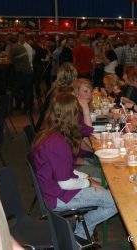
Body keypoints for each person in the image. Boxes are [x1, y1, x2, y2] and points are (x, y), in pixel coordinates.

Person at [32, 93, 118, 246]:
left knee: (106, 185)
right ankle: (81, 233)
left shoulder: (52, 133)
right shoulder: (57, 142)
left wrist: (87, 178)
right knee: (116, 200)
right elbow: (65, 183)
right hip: (58, 196)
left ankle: (82, 230)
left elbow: (66, 170)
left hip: (55, 188)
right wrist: (88, 183)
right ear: (72, 116)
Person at [7, 34, 33, 112]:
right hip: (28, 71)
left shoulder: (13, 48)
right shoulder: (20, 46)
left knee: (18, 90)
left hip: (22, 72)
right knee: (28, 91)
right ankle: (27, 108)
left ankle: (20, 106)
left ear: (9, 41)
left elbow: (9, 61)